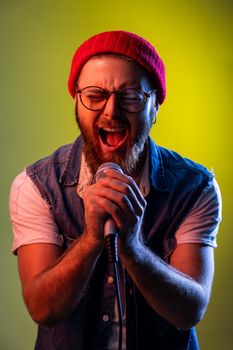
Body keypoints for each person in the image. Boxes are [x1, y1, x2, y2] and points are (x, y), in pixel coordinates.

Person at [9, 30, 222, 350]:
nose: (111, 111)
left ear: (156, 107)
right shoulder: (36, 186)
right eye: (95, 95)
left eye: (131, 96)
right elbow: (43, 309)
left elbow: (190, 310)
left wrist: (133, 247)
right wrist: (92, 240)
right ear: (76, 102)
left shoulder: (195, 188)